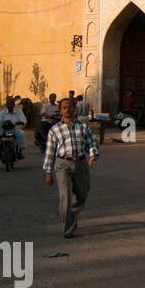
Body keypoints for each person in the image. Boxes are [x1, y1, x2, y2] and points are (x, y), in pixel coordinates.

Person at [44, 97, 100, 238]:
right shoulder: (55, 130)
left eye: (70, 107)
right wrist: (48, 172)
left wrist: (93, 154)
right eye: (64, 108)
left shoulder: (82, 127)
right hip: (62, 164)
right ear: (60, 111)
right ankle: (67, 227)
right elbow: (50, 152)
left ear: (75, 109)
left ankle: (72, 215)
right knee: (66, 197)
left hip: (80, 163)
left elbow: (92, 141)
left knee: (82, 195)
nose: (67, 110)